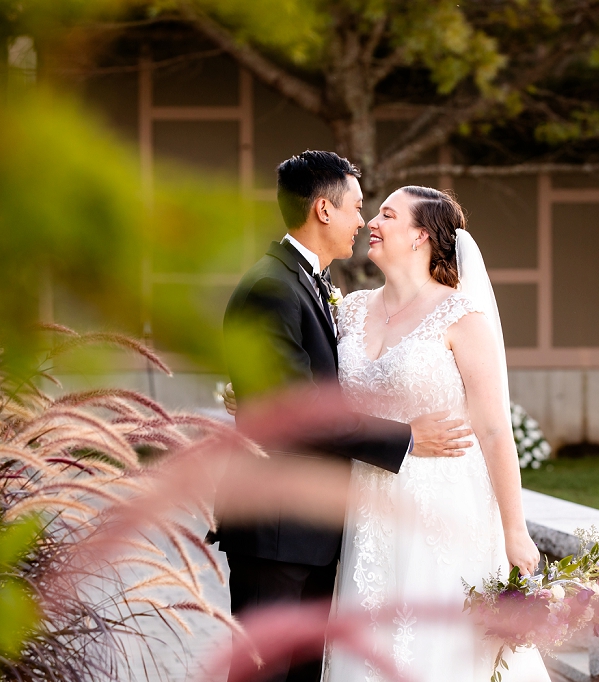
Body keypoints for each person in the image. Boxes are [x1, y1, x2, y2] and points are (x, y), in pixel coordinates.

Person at [216, 151, 474, 682]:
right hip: (277, 526)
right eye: (358, 207)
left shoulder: (312, 284)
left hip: (312, 530)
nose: (364, 220)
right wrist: (407, 438)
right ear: (324, 210)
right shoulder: (272, 287)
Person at [321, 186, 550, 681]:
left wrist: (515, 529)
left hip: (444, 506)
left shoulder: (461, 317)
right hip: (368, 503)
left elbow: (493, 431)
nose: (371, 223)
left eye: (387, 215)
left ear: (421, 235)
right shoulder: (351, 310)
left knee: (437, 646)